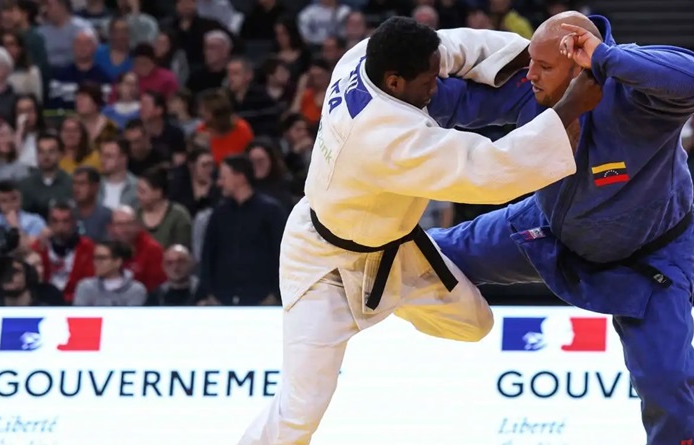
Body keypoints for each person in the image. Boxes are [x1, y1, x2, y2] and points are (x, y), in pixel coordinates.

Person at [238, 16, 601, 445]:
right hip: (324, 268)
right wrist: (568, 108)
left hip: (391, 250)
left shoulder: (363, 58)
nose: (437, 86)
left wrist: (534, 55)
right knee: (301, 410)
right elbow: (485, 169)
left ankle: (391, 300)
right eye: (428, 81)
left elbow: (453, 47)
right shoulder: (385, 137)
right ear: (394, 81)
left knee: (475, 324)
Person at [428, 12, 694, 445]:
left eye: (544, 66)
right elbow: (452, 100)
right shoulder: (533, 85)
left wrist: (605, 58)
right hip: (548, 228)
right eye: (532, 62)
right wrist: (388, 89)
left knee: (667, 380)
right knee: (424, 255)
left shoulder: (640, 96)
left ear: (580, 65)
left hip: (650, 257)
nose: (531, 74)